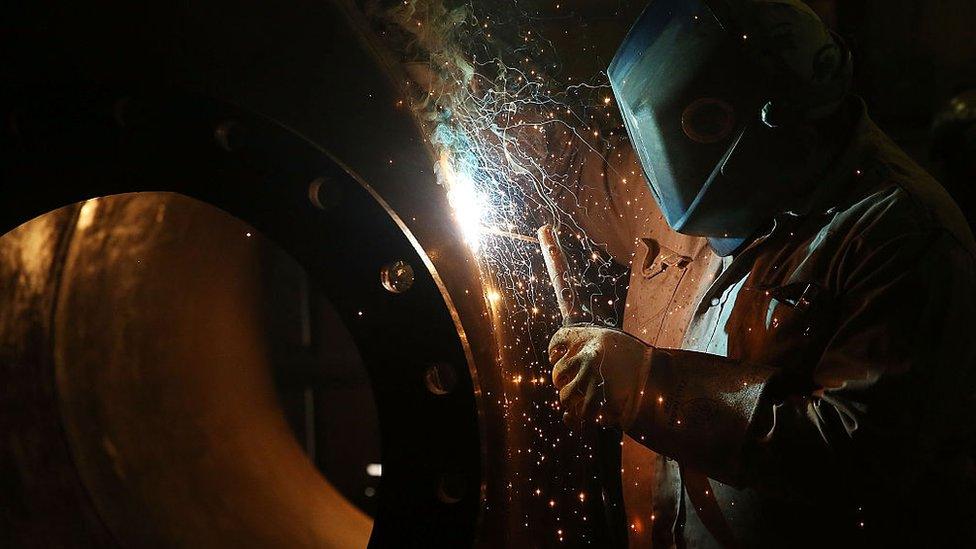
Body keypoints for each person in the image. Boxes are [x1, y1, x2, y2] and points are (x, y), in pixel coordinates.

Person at [547, 0, 976, 546]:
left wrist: (651, 386)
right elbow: (577, 172)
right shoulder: (683, 176)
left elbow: (854, 456)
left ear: (776, 128)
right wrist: (449, 91)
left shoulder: (904, 238)